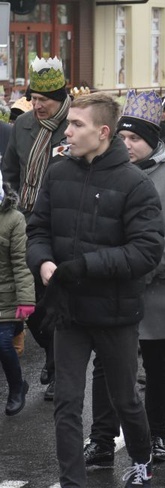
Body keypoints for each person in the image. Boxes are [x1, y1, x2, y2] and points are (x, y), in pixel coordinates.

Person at [25, 92, 165, 488]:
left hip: (115, 312)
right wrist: (44, 262)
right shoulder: (58, 173)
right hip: (67, 310)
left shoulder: (135, 184)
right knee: (66, 403)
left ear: (103, 133)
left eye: (76, 125)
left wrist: (84, 266)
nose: (67, 131)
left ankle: (141, 461)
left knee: (124, 398)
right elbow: (38, 231)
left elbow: (146, 252)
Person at [81, 90, 165, 468]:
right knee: (106, 364)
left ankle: (157, 434)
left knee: (159, 361)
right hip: (113, 287)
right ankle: (101, 439)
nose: (127, 145)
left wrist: (138, 269)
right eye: (123, 138)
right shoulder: (105, 172)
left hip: (159, 285)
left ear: (153, 141)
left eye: (135, 139)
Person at [2, 56, 71, 403]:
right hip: (26, 222)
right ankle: (49, 352)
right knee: (29, 302)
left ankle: (59, 367)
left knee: (54, 295)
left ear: (61, 97)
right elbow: (11, 171)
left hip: (62, 223)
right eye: (34, 98)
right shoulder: (24, 126)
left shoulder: (76, 125)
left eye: (44, 100)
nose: (37, 105)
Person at [0, 182, 34, 417]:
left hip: (7, 296)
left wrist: (26, 300)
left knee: (3, 343)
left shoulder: (14, 219)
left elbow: (21, 264)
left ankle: (17, 387)